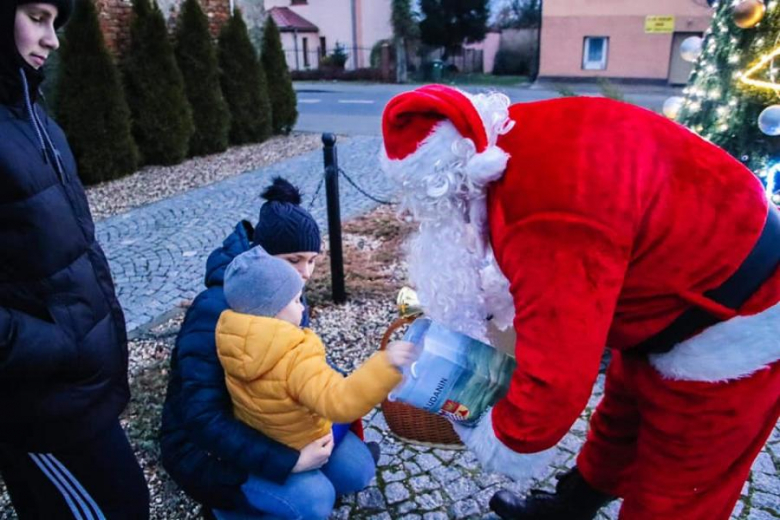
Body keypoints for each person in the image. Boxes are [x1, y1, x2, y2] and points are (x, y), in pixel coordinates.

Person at [379, 84, 780, 520]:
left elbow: (557, 374)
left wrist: (504, 434)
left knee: (682, 476)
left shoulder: (542, 214)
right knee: (622, 412)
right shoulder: (515, 139)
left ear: (454, 183)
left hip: (740, 312)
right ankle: (575, 505)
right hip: (673, 284)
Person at [0, 1, 150, 518]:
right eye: (38, 17)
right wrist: (57, 343)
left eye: (56, 23)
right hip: (38, 401)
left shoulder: (32, 115)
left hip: (78, 385)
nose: (53, 39)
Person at [161, 177, 371, 519]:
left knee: (356, 470)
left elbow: (296, 366)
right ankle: (226, 510)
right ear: (262, 256)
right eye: (293, 261)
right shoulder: (213, 310)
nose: (305, 274)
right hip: (210, 450)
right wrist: (289, 461)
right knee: (315, 499)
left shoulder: (284, 291)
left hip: (273, 423)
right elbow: (202, 418)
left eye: (312, 260)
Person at [213, 246, 415, 518]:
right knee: (319, 499)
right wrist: (385, 365)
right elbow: (340, 401)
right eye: (296, 301)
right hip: (297, 444)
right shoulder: (292, 356)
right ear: (272, 311)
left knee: (357, 470)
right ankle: (235, 513)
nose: (303, 307)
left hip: (273, 438)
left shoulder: (232, 339)